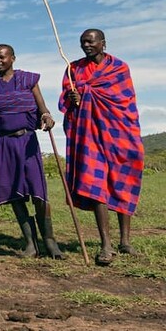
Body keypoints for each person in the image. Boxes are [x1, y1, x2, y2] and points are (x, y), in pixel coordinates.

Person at [59, 29, 143, 266]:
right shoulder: (73, 69)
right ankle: (106, 245)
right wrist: (73, 98)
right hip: (89, 136)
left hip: (119, 134)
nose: (86, 45)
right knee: (97, 187)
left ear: (103, 44)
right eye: (82, 42)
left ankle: (125, 241)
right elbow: (66, 98)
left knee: (122, 183)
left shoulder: (119, 68)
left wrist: (87, 92)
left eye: (90, 41)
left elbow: (125, 100)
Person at [0, 45, 62, 259]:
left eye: (2, 57)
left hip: (26, 141)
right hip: (2, 143)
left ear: (13, 58)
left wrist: (46, 117)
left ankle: (50, 242)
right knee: (14, 193)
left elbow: (41, 107)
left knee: (38, 192)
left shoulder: (28, 80)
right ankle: (30, 243)